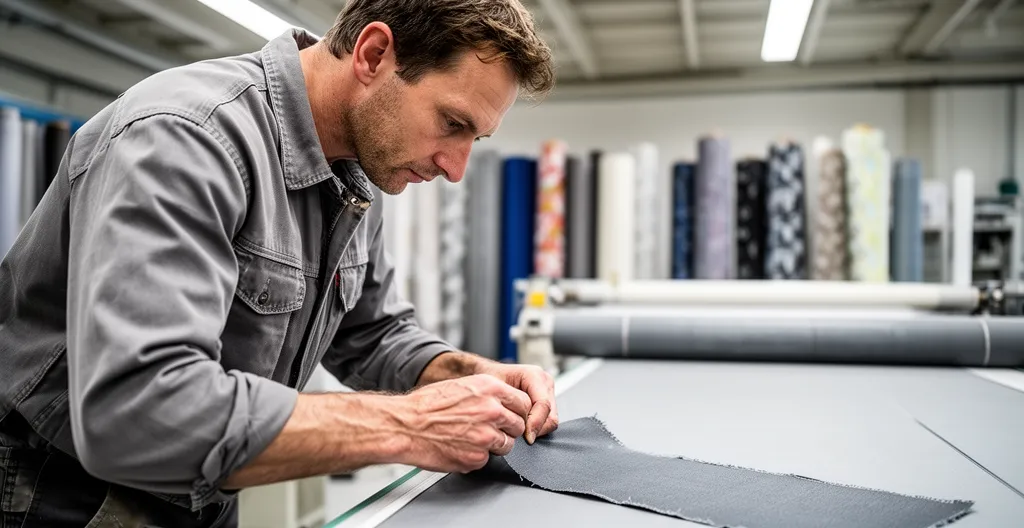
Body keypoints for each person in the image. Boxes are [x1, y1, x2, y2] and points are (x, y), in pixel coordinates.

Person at [0, 0, 556, 525]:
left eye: (474, 139)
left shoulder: (358, 168)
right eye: (452, 123)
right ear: (373, 55)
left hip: (204, 494)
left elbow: (371, 331)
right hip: (63, 496)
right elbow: (140, 411)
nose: (455, 167)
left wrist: (468, 373)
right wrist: (413, 424)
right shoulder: (186, 138)